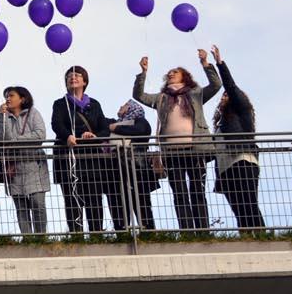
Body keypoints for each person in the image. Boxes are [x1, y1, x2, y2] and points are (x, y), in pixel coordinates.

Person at [133, 50, 222, 231]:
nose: (171, 73)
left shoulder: (195, 94)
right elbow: (139, 95)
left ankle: (203, 231)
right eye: (170, 73)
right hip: (172, 152)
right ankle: (187, 231)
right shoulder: (161, 98)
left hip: (195, 149)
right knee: (179, 193)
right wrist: (142, 73)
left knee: (197, 190)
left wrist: (206, 64)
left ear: (185, 76)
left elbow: (216, 85)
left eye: (176, 71)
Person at [50, 65, 115, 233]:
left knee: (94, 197)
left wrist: (95, 137)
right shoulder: (60, 104)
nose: (73, 77)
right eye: (69, 76)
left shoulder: (94, 104)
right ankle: (76, 235)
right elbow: (56, 124)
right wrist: (67, 136)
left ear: (84, 81)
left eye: (77, 75)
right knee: (72, 198)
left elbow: (104, 128)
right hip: (68, 157)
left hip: (91, 158)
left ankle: (96, 234)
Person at [208, 46, 264, 231]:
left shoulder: (241, 108)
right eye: (223, 95)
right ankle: (247, 238)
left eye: (226, 95)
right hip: (225, 169)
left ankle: (261, 239)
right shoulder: (220, 123)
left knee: (249, 205)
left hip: (242, 161)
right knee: (238, 210)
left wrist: (219, 64)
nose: (224, 97)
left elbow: (231, 87)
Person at [0, 85, 49, 236]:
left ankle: (41, 238)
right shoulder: (4, 116)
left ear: (22, 98)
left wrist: (16, 140)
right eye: (6, 96)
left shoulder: (33, 113)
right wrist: (2, 117)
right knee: (21, 207)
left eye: (11, 95)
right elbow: (3, 138)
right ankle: (28, 238)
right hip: (15, 169)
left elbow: (40, 135)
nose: (7, 98)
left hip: (34, 167)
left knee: (38, 204)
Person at [106, 99, 158, 231]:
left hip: (137, 168)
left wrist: (116, 128)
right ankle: (122, 233)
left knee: (141, 202)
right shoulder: (115, 122)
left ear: (131, 108)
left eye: (124, 105)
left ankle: (148, 232)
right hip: (119, 169)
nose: (120, 106)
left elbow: (139, 131)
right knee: (119, 203)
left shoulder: (140, 121)